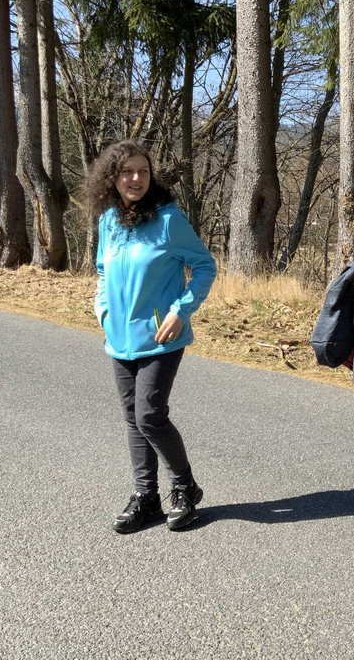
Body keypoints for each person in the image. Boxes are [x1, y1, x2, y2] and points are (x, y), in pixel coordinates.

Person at [85, 140, 217, 534]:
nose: (136, 178)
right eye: (127, 171)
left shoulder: (168, 220)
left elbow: (205, 266)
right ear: (113, 177)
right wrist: (102, 308)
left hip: (162, 337)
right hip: (119, 337)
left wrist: (180, 311)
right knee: (133, 419)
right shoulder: (108, 220)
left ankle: (184, 485)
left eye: (143, 170)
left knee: (149, 416)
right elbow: (104, 270)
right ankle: (147, 498)